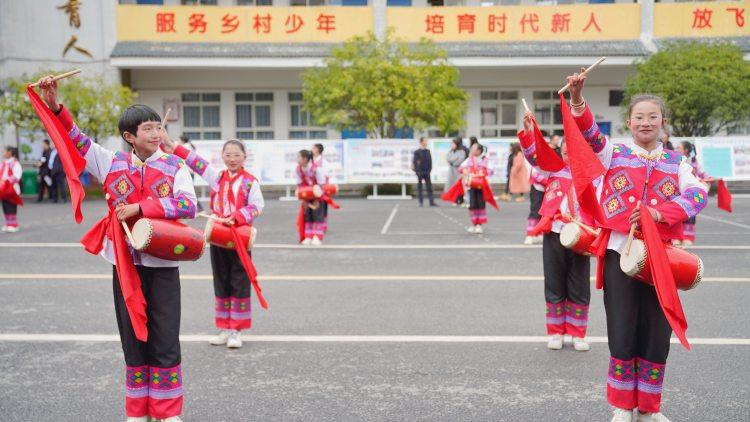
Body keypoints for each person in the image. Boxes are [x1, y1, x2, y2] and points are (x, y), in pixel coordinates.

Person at [38, 75, 197, 422]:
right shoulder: (110, 162)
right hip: (124, 264)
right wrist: (54, 105)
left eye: (158, 127)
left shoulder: (175, 166)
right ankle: (137, 410)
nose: (156, 134)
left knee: (165, 336)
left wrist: (143, 208)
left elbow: (188, 206)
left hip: (163, 264)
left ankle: (167, 411)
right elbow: (75, 139)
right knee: (132, 338)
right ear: (129, 136)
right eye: (148, 129)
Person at [566, 70, 707, 422]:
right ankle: (622, 405)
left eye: (652, 117)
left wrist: (659, 212)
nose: (646, 122)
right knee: (623, 328)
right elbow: (589, 133)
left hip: (661, 257)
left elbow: (699, 194)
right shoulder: (613, 153)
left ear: (663, 122)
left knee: (657, 332)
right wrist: (578, 99)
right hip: (619, 252)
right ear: (628, 122)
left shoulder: (677, 164)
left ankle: (649, 407)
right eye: (639, 117)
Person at [166, 137, 264, 349]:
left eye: (236, 154)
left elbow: (257, 206)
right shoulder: (217, 178)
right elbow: (196, 162)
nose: (232, 159)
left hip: (239, 237)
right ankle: (225, 328)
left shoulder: (250, 182)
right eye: (228, 155)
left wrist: (237, 216)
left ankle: (236, 330)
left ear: (244, 157)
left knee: (239, 282)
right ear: (222, 156)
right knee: (221, 281)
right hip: (219, 237)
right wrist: (172, 146)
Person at [519, 121, 592, 352]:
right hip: (554, 232)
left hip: (581, 234)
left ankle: (578, 333)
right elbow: (533, 156)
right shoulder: (552, 169)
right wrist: (530, 133)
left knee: (579, 284)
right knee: (554, 282)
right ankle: (556, 332)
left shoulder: (590, 173)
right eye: (564, 150)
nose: (568, 154)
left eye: (572, 150)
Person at [674, 141, 711, 246]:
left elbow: (704, 174)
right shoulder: (674, 160)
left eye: (678, 147)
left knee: (689, 214)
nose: (676, 149)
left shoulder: (694, 162)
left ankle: (688, 237)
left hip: (690, 194)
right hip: (676, 192)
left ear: (685, 150)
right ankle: (676, 237)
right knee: (676, 214)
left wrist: (706, 181)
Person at [460, 143, 494, 233]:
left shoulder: (486, 160)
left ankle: (479, 224)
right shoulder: (470, 159)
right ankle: (474, 223)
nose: (471, 150)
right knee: (472, 204)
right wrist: (465, 171)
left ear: (479, 151)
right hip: (471, 185)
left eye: (473, 148)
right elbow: (461, 168)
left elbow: (491, 171)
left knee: (480, 203)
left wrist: (482, 174)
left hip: (481, 185)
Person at [295, 149, 326, 245]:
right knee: (307, 215)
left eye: (299, 157)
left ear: (305, 159)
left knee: (317, 215)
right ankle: (308, 236)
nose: (297, 159)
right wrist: (304, 199)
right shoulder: (298, 169)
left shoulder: (316, 169)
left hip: (317, 195)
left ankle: (317, 237)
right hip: (306, 196)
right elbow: (299, 185)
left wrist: (317, 198)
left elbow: (321, 184)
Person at [1, 146, 23, 232]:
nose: (4, 153)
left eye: (5, 151)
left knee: (11, 206)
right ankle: (8, 223)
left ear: (10, 152)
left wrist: (6, 181)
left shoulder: (15, 163)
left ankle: (14, 225)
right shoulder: (4, 163)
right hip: (3, 189)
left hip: (12, 188)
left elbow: (17, 175)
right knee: (5, 206)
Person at [311, 143, 331, 232]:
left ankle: (323, 224)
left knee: (322, 206)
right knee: (313, 205)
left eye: (313, 148)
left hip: (321, 187)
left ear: (318, 150)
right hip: (313, 187)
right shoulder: (311, 161)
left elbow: (326, 175)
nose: (312, 149)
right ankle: (314, 223)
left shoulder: (324, 162)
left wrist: (324, 188)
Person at [525, 167, 547, 245]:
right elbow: (535, 174)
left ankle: (538, 233)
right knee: (535, 211)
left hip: (547, 188)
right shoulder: (536, 158)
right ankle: (529, 235)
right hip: (537, 188)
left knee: (544, 212)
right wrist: (547, 181)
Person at [412, 137, 436, 207]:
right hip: (420, 172)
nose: (426, 142)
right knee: (420, 187)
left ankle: (431, 202)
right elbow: (415, 162)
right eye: (425, 141)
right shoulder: (417, 152)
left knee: (429, 187)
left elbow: (430, 162)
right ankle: (421, 202)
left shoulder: (428, 151)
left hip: (427, 172)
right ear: (421, 142)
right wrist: (417, 171)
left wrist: (429, 170)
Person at [445, 137, 467, 206]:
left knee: (459, 185)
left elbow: (460, 161)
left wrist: (453, 161)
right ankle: (454, 200)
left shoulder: (462, 152)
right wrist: (454, 159)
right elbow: (448, 159)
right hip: (452, 171)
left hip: (458, 171)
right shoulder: (450, 151)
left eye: (453, 144)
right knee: (453, 186)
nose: (452, 145)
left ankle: (461, 200)